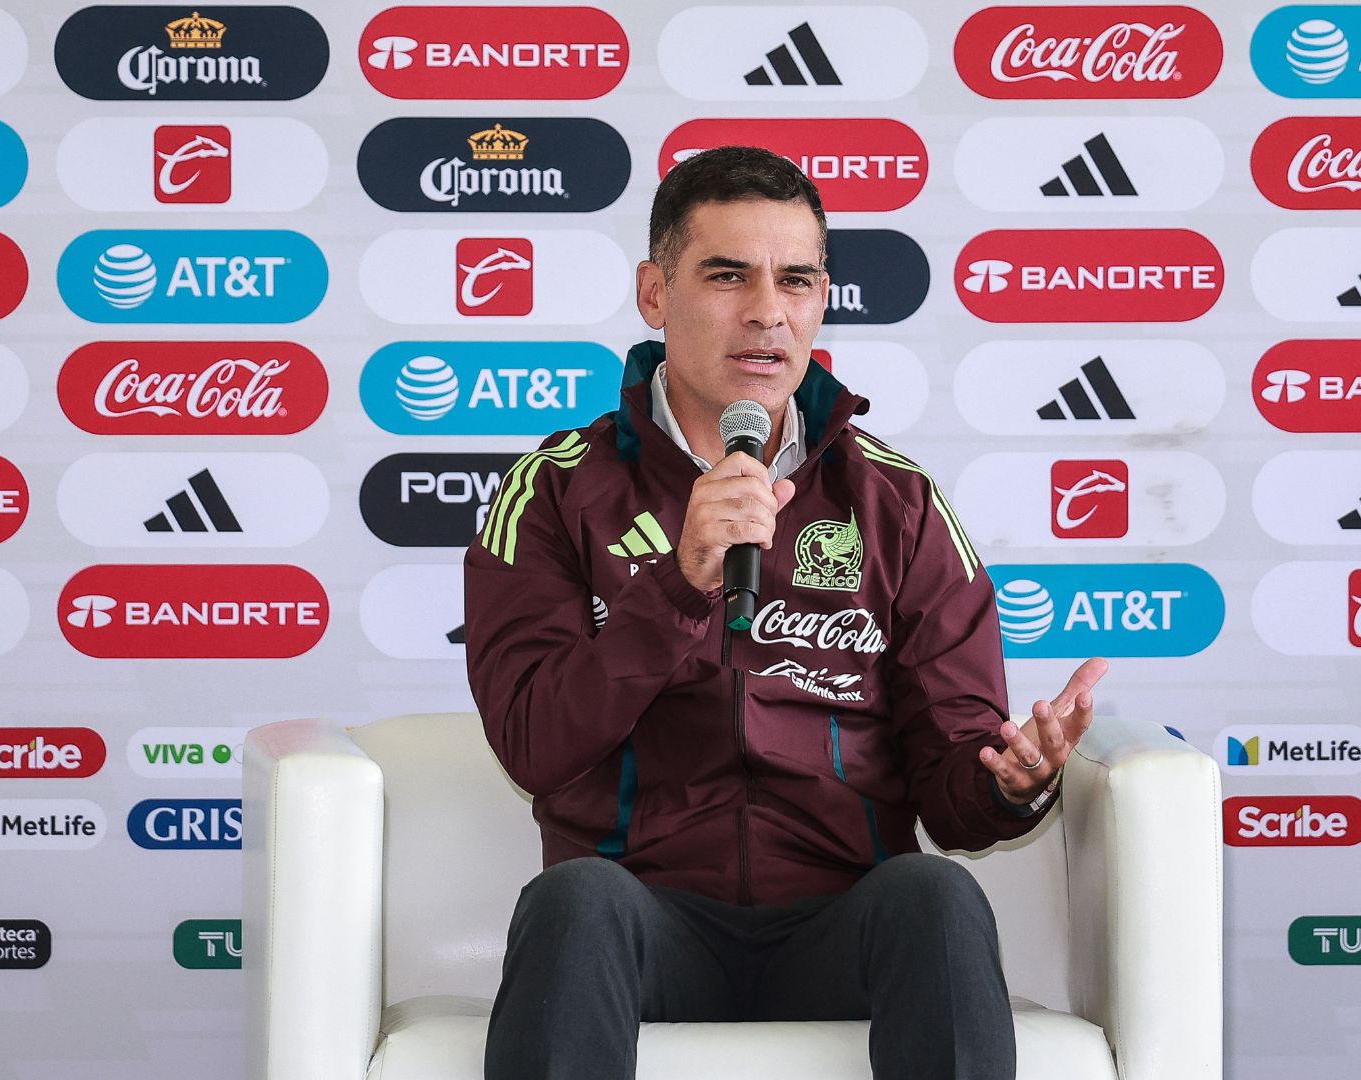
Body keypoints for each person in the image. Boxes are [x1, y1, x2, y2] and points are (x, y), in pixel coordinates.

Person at [463, 145, 1107, 1080]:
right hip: (644, 922)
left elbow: (953, 792)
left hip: (839, 921)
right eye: (728, 275)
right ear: (655, 294)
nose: (767, 309)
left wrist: (1011, 780)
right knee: (574, 904)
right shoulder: (559, 489)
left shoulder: (896, 501)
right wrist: (679, 586)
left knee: (934, 893)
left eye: (796, 280)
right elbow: (532, 743)